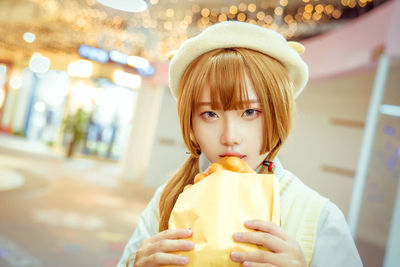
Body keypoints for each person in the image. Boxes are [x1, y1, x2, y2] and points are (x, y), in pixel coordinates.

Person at [118, 21, 363, 267]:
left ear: (279, 113)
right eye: (210, 114)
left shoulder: (318, 217)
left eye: (250, 112)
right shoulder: (166, 201)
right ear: (190, 123)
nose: (230, 136)